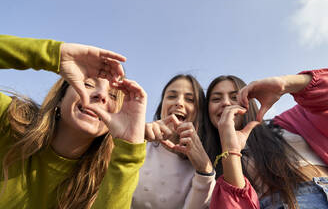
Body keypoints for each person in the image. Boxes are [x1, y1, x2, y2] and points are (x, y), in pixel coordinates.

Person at [0, 35, 147, 209]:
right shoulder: (10, 120)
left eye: (113, 95)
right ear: (61, 97)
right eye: (89, 84)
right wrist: (53, 54)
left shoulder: (108, 179)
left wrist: (129, 147)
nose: (101, 95)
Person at [209, 67, 328, 209]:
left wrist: (285, 84)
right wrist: (231, 151)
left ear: (249, 100)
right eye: (216, 99)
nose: (225, 103)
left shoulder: (292, 120)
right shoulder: (215, 162)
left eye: (234, 96)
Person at [131, 74, 216, 209]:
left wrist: (205, 172)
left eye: (190, 99)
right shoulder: (139, 141)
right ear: (161, 106)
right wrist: (133, 141)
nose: (179, 103)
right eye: (171, 96)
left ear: (199, 113)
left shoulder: (204, 163)